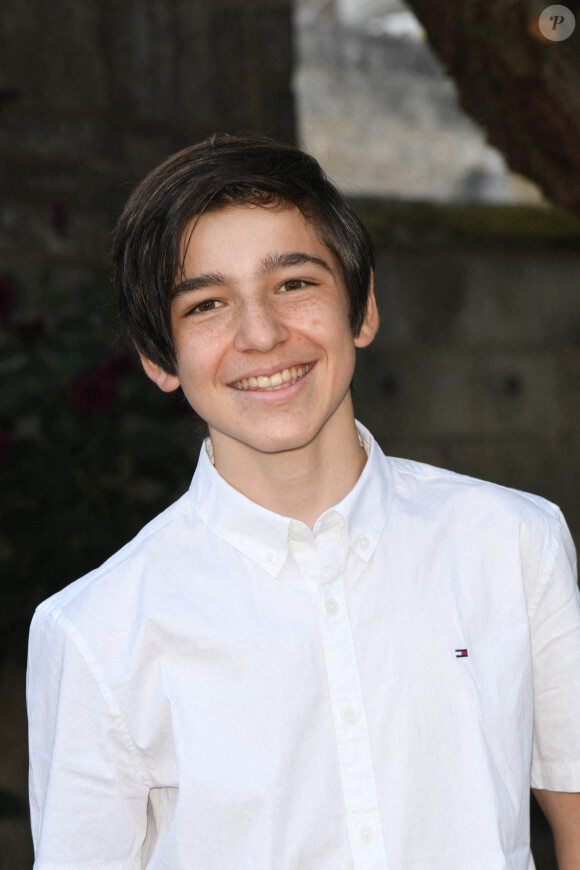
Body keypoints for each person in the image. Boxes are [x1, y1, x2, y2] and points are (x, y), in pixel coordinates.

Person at [27, 134, 580, 870]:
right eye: (207, 304)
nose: (261, 335)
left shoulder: (513, 541)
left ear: (363, 306)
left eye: (294, 284)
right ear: (159, 358)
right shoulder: (96, 632)